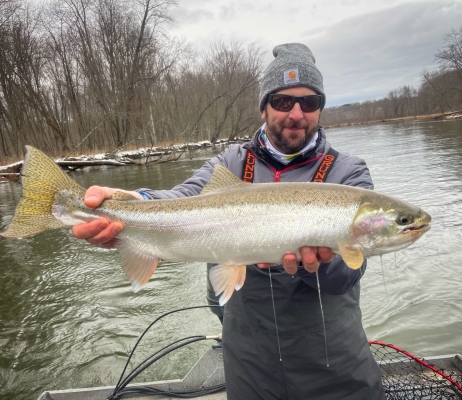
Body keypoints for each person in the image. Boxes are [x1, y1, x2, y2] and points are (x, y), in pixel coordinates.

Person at [72, 43, 385, 400]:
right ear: (264, 107)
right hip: (249, 368)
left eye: (309, 102)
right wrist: (133, 203)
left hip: (334, 366)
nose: (296, 113)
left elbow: (347, 277)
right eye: (283, 101)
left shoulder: (348, 172)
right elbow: (182, 199)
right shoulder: (231, 163)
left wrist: (322, 264)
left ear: (319, 109)